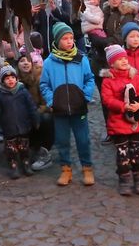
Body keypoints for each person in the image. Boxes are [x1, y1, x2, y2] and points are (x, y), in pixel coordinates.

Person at [40, 23, 97, 187]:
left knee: (83, 140)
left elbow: (89, 79)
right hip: (60, 110)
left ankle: (87, 168)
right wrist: (52, 101)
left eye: (71, 38)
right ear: (57, 41)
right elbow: (44, 85)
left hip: (79, 107)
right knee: (62, 140)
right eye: (65, 38)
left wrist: (85, 96)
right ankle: (66, 170)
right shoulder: (49, 62)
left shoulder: (81, 59)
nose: (69, 41)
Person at [99, 45, 139, 196]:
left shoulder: (135, 76)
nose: (124, 61)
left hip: (135, 123)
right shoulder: (108, 81)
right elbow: (107, 99)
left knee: (138, 152)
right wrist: (123, 106)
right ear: (112, 63)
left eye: (125, 58)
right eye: (119, 59)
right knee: (123, 155)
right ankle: (124, 180)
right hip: (118, 124)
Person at [0, 64, 37, 179]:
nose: (10, 80)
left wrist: (35, 119)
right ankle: (13, 165)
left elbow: (31, 106)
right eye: (7, 78)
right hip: (8, 126)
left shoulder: (23, 91)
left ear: (16, 79)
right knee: (11, 149)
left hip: (23, 125)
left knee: (24, 147)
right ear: (2, 81)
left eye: (12, 77)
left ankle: (25, 163)